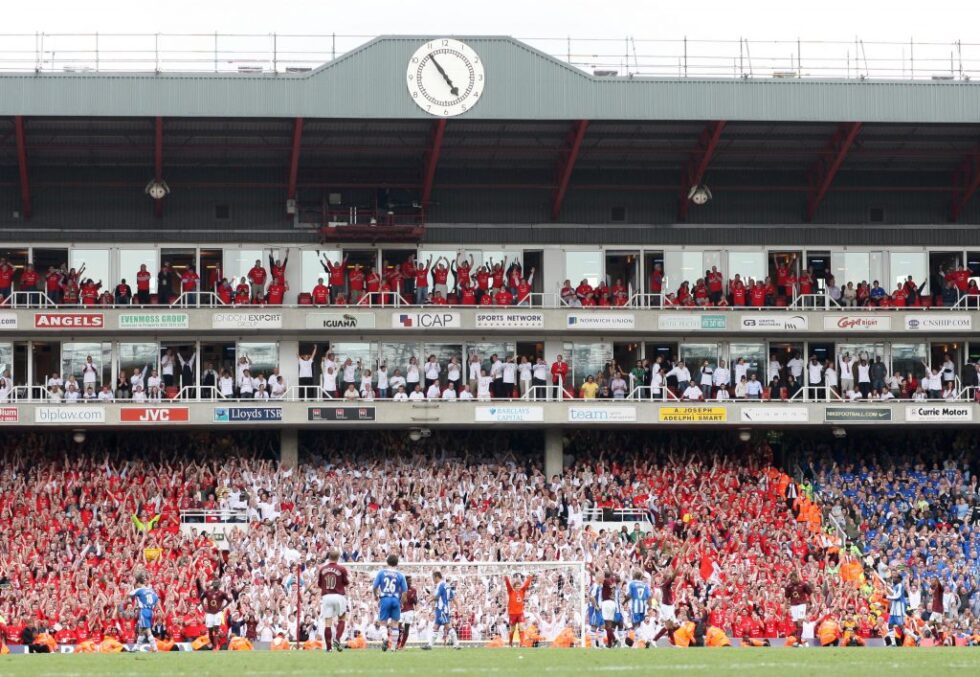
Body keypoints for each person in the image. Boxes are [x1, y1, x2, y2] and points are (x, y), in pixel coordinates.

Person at [310, 549, 349, 652]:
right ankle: (337, 638)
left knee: (328, 623)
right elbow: (346, 583)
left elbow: (319, 584)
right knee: (342, 618)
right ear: (338, 558)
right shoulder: (342, 569)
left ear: (328, 557)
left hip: (326, 596)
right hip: (339, 595)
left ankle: (329, 648)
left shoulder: (323, 569)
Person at [372, 554, 407, 652]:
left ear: (387, 562)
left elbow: (374, 587)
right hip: (395, 599)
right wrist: (401, 602)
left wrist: (375, 596)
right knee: (395, 624)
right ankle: (393, 647)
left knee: (383, 622)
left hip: (385, 598)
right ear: (397, 563)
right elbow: (404, 592)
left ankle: (385, 638)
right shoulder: (400, 575)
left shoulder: (381, 573)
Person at [425, 571, 459, 649]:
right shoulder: (447, 585)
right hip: (442, 609)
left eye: (433, 578)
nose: (433, 579)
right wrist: (457, 606)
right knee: (436, 627)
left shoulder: (440, 585)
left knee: (448, 626)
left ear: (437, 577)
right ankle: (429, 645)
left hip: (441, 609)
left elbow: (436, 597)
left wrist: (429, 599)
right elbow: (453, 597)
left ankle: (456, 644)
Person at [126, 572, 159, 652]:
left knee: (147, 630)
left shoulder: (139, 590)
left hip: (144, 611)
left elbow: (128, 594)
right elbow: (156, 600)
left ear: (137, 582)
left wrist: (130, 601)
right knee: (141, 629)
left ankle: (155, 648)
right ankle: (137, 647)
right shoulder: (151, 590)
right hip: (150, 611)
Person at [200, 578, 231, 650]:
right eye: (215, 584)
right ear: (213, 585)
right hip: (210, 613)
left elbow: (229, 600)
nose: (216, 585)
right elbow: (201, 599)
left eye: (217, 584)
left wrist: (223, 607)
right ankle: (213, 644)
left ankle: (215, 646)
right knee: (210, 630)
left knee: (216, 629)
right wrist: (204, 608)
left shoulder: (222, 593)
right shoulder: (207, 592)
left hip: (218, 613)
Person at [504, 573, 534, 648]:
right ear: (514, 587)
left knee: (521, 627)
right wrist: (506, 577)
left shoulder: (522, 591)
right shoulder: (511, 592)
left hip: (520, 613)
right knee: (512, 630)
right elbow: (508, 585)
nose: (518, 587)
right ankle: (510, 643)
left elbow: (526, 584)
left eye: (519, 586)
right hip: (512, 614)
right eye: (517, 586)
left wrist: (530, 577)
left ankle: (522, 643)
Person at [398, 576, 417, 650]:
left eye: (411, 580)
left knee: (406, 628)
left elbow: (416, 602)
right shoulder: (400, 589)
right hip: (401, 610)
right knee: (398, 627)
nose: (410, 582)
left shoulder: (413, 590)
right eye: (409, 580)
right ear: (405, 581)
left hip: (410, 610)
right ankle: (397, 643)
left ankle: (402, 645)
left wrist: (413, 598)